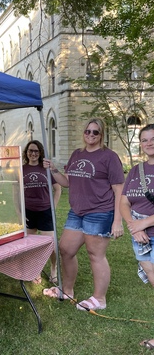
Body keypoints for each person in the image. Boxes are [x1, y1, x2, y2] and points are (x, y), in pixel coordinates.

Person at [42, 118, 124, 311]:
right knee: (66, 249)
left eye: (95, 132)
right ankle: (67, 290)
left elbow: (119, 189)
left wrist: (117, 221)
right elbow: (67, 182)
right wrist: (53, 170)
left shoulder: (109, 156)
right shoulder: (77, 154)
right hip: (76, 212)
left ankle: (99, 299)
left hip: (100, 212)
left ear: (102, 135)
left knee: (95, 254)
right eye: (88, 131)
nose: (90, 135)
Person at [119, 124, 154, 349]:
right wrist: (134, 226)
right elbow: (124, 202)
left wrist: (146, 222)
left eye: (153, 138)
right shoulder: (135, 171)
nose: (149, 143)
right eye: (144, 140)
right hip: (139, 237)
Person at [22, 140, 61, 284]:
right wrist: (19, 212)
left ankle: (53, 268)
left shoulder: (46, 169)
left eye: (36, 151)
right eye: (30, 150)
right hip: (28, 211)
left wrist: (53, 207)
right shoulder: (22, 169)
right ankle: (35, 271)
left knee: (51, 245)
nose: (33, 153)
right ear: (26, 152)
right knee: (29, 246)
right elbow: (16, 193)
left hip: (45, 211)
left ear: (40, 153)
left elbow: (58, 189)